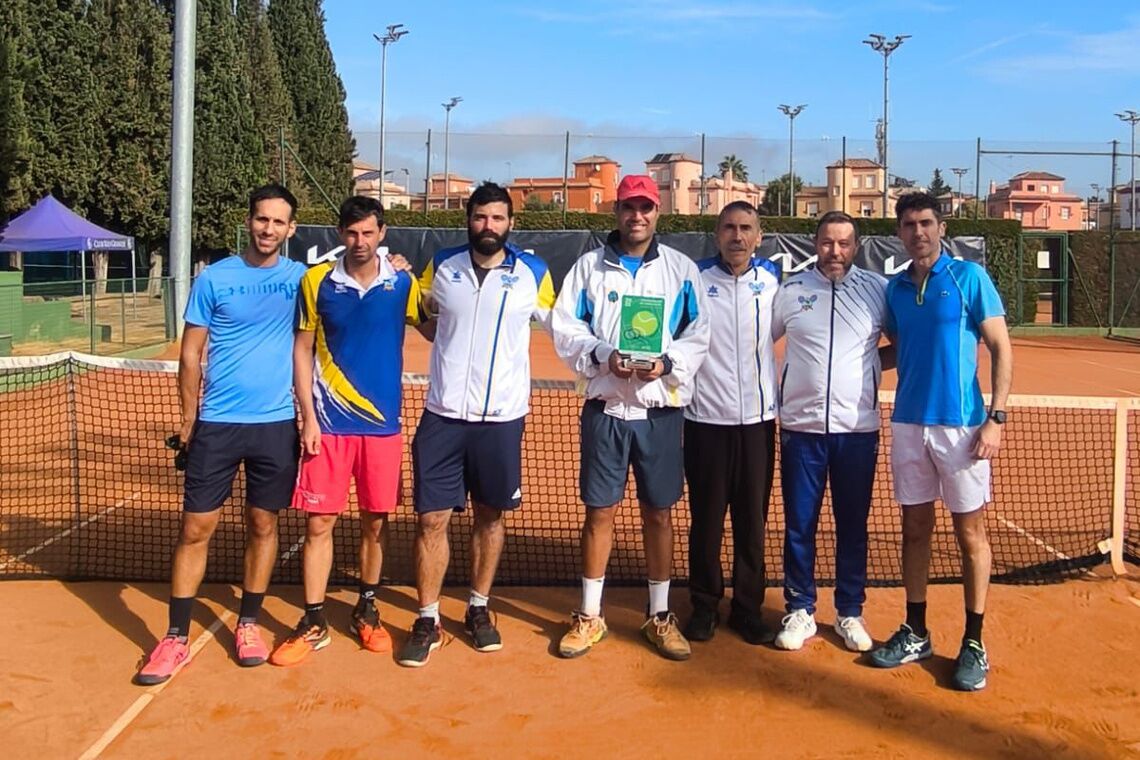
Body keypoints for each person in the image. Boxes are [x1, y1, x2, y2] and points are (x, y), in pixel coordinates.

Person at [135, 184, 306, 685]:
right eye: (261, 220)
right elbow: (190, 354)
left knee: (263, 526)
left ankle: (248, 622)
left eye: (278, 222)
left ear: (291, 229)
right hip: (217, 425)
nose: (268, 229)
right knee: (195, 529)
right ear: (249, 222)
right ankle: (174, 637)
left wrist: (399, 265)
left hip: (275, 426)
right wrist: (189, 419)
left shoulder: (303, 280)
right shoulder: (214, 279)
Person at [396, 182, 555, 668]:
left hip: (502, 419)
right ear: (468, 219)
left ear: (511, 223)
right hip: (443, 414)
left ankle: (479, 608)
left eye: (498, 218)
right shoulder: (441, 266)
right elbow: (423, 315)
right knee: (431, 519)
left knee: (490, 516)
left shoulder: (535, 273)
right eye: (481, 217)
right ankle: (427, 617)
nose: (489, 226)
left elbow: (566, 328)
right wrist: (402, 277)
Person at [552, 174, 710, 661]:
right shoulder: (587, 269)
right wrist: (603, 354)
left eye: (644, 207)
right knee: (599, 513)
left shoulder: (682, 270)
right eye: (628, 207)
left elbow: (698, 332)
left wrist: (666, 364)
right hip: (605, 409)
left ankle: (659, 615)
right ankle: (589, 614)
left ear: (657, 211)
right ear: (615, 211)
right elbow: (564, 327)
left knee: (658, 513)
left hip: (659, 412)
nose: (636, 216)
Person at [269, 196, 425, 666]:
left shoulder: (402, 282)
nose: (360, 242)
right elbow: (301, 349)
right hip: (329, 426)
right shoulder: (316, 282)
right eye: (352, 233)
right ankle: (315, 619)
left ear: (382, 233)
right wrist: (308, 417)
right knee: (319, 524)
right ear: (341, 235)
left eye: (368, 233)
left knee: (375, 522)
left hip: (382, 428)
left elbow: (437, 327)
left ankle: (367, 608)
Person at [869, 192, 1012, 692]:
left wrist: (996, 418)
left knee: (970, 534)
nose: (918, 232)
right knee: (914, 530)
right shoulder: (894, 290)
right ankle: (916, 630)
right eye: (908, 225)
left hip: (963, 425)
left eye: (926, 223)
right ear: (899, 233)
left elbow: (1000, 347)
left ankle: (974, 640)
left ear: (942, 227)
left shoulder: (969, 278)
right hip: (909, 422)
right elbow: (897, 348)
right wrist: (849, 367)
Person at [770, 211, 891, 653]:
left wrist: (872, 365)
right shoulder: (792, 291)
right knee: (800, 525)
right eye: (826, 243)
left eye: (843, 243)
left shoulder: (878, 290)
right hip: (800, 431)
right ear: (815, 244)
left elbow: (900, 340)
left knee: (852, 525)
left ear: (855, 246)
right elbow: (760, 341)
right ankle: (800, 608)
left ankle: (849, 611)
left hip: (857, 431)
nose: (834, 252)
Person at [681, 201, 779, 646]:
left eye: (746, 229)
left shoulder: (774, 283)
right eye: (729, 228)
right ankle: (703, 605)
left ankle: (747, 608)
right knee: (706, 520)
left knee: (751, 521)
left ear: (759, 237)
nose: (737, 236)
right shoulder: (695, 279)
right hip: (705, 422)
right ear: (716, 234)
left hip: (759, 423)